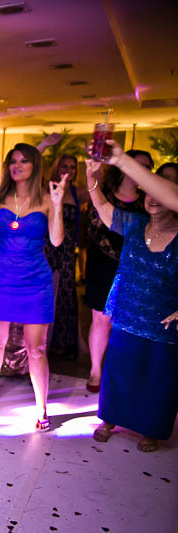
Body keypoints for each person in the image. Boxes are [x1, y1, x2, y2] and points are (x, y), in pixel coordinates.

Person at [86, 147, 178, 453]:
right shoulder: (134, 224)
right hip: (126, 312)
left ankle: (151, 429)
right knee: (119, 370)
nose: (151, 193)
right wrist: (92, 178)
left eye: (161, 186)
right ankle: (110, 418)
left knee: (157, 377)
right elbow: (100, 205)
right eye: (148, 184)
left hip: (162, 321)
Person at [0, 143, 66, 432]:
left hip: (36, 280)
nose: (17, 165)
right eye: (13, 161)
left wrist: (59, 204)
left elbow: (57, 241)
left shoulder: (47, 199)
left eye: (24, 161)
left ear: (34, 165)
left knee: (36, 348)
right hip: (1, 277)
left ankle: (42, 409)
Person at [84, 149, 151, 392]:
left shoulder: (150, 201)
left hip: (137, 269)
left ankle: (118, 371)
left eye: (147, 166)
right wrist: (124, 256)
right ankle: (95, 370)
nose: (142, 170)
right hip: (104, 265)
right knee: (100, 320)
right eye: (138, 164)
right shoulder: (105, 197)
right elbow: (95, 230)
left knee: (126, 322)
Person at [43, 154, 87, 360]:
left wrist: (96, 164)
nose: (68, 170)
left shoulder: (78, 193)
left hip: (68, 248)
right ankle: (42, 341)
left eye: (72, 167)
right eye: (64, 165)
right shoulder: (46, 188)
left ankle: (64, 343)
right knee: (46, 290)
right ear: (56, 167)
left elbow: (100, 187)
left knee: (66, 293)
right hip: (46, 245)